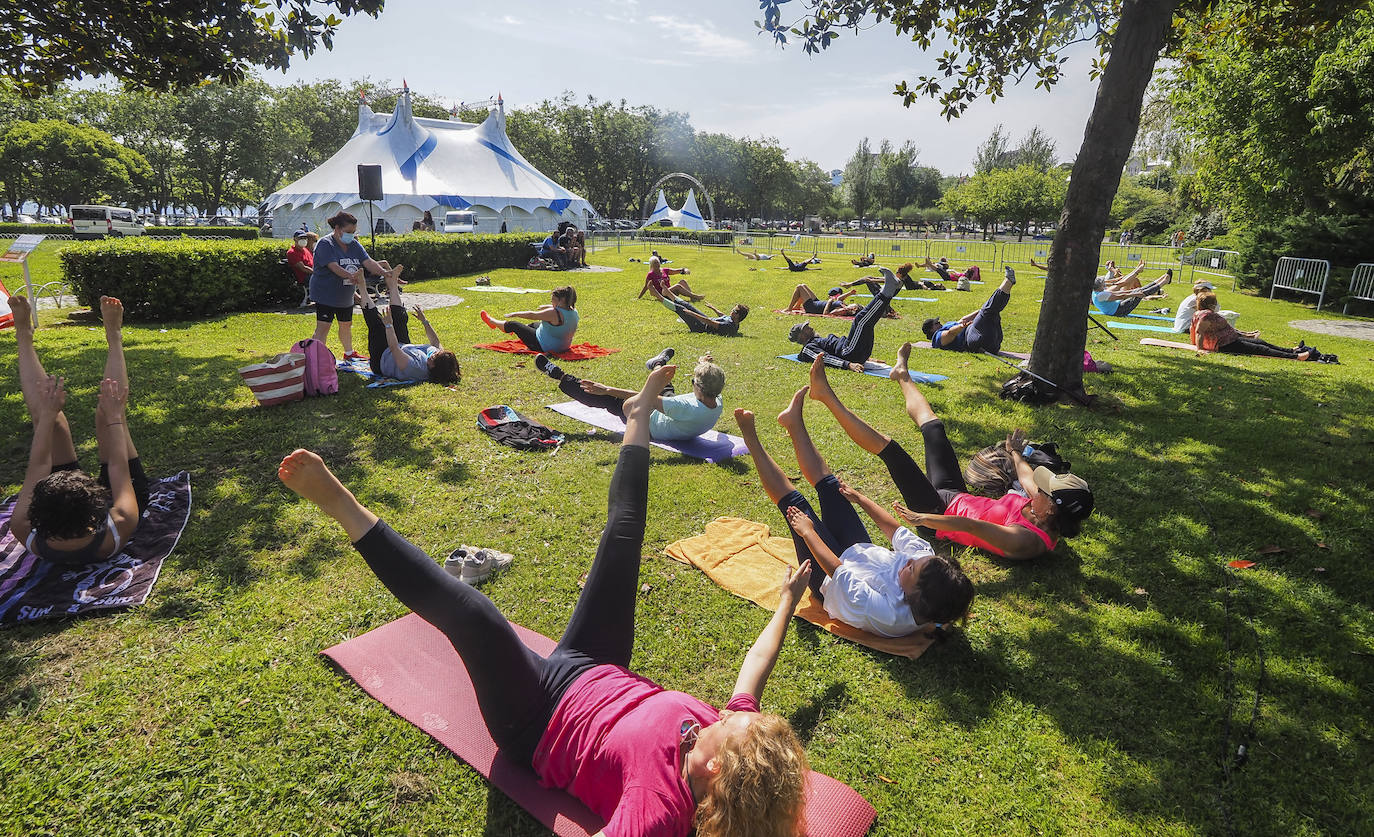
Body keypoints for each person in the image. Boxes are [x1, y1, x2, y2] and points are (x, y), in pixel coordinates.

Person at [276, 366, 812, 837]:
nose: (724, 713)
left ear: (714, 768)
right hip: (598, 669)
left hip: (537, 717)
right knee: (623, 539)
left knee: (473, 616)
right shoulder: (737, 746)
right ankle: (637, 416)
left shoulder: (659, 808)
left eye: (723, 722)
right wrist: (786, 602)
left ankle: (341, 505)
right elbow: (753, 673)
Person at [802, 349, 1094, 560]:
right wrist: (1016, 454)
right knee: (934, 428)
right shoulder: (1041, 506)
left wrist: (922, 519)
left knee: (891, 451)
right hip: (956, 496)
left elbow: (970, 526)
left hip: (938, 514)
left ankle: (824, 395)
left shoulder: (1026, 541)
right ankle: (902, 375)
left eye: (1046, 490)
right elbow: (1027, 477)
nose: (1038, 489)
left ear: (1052, 508)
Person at [735, 394, 974, 639]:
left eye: (911, 570)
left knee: (794, 504)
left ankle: (750, 438)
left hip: (828, 580)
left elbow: (837, 571)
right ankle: (793, 422)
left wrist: (808, 531)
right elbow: (895, 531)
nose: (909, 561)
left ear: (915, 598)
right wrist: (860, 499)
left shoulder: (887, 613)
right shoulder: (929, 569)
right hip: (859, 553)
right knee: (830, 485)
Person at [8, 295, 149, 565]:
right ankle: (114, 335)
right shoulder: (120, 521)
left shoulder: (23, 528)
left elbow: (38, 464)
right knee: (106, 416)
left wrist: (48, 415)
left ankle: (23, 335)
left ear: (36, 513)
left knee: (50, 421)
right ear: (99, 503)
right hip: (124, 495)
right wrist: (116, 416)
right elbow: (118, 468)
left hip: (69, 509)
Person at [536, 351, 728, 441]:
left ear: (699, 388)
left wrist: (607, 389)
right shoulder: (717, 400)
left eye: (693, 381)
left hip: (647, 423)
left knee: (604, 398)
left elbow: (645, 396)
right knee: (664, 384)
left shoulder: (685, 408)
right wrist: (703, 363)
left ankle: (560, 375)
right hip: (675, 417)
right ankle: (657, 363)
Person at [311, 211, 403, 361]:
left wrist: (386, 273)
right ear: (337, 228)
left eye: (353, 232)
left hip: (345, 295)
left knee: (346, 324)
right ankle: (316, 357)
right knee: (323, 326)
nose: (351, 235)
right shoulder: (325, 244)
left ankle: (349, 353)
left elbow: (369, 262)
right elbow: (333, 266)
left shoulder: (354, 244)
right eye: (348, 232)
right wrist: (352, 276)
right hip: (325, 294)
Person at [787, 268, 903, 371]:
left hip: (853, 350)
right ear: (801, 336)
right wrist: (848, 365)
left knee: (867, 322)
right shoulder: (808, 349)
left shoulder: (815, 341)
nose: (810, 327)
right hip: (849, 352)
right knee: (861, 320)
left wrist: (870, 360)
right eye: (806, 328)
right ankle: (888, 290)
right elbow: (825, 359)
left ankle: (891, 289)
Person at [358, 273, 460, 384]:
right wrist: (424, 321)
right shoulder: (438, 358)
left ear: (433, 367)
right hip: (403, 347)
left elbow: (394, 348)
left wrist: (388, 325)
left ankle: (361, 285)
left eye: (435, 356)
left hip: (383, 357)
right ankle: (392, 284)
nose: (434, 353)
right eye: (436, 353)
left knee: (377, 324)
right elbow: (435, 342)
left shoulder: (416, 368)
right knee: (400, 318)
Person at [1190, 292, 1332, 362]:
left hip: (1231, 340)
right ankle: (1297, 357)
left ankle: (1292, 350)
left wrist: (1246, 334)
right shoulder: (1205, 315)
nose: (1217, 304)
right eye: (1215, 302)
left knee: (1260, 342)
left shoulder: (1201, 313)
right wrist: (1200, 349)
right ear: (1210, 304)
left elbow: (1194, 331)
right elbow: (1198, 332)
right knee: (1261, 349)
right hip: (1224, 345)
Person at [921, 266, 1018, 353]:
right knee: (989, 311)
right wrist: (961, 327)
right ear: (931, 329)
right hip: (975, 339)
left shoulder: (945, 326)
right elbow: (950, 333)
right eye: (936, 323)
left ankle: (1007, 283)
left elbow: (963, 320)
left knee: (991, 311)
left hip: (992, 342)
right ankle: (1008, 281)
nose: (939, 323)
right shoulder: (937, 337)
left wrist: (979, 311)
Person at [479, 286, 580, 354]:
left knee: (514, 325)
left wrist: (515, 314)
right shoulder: (573, 310)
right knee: (534, 325)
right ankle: (514, 331)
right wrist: (548, 306)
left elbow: (532, 314)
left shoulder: (553, 313)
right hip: (563, 346)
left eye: (552, 300)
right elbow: (559, 310)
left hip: (544, 347)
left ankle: (492, 322)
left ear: (561, 300)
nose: (551, 302)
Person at [1092, 268, 1172, 317]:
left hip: (1118, 306)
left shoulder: (1097, 293)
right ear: (1099, 286)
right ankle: (1164, 281)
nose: (1105, 284)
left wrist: (1132, 291)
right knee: (1140, 293)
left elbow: (1118, 294)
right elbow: (1121, 296)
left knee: (1139, 291)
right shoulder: (1101, 295)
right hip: (1119, 311)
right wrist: (1135, 293)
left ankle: (1162, 279)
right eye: (1103, 284)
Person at [658, 294, 749, 336]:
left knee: (682, 309)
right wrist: (713, 308)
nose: (732, 311)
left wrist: (692, 314)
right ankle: (668, 293)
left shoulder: (729, 326)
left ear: (738, 316)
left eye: (734, 311)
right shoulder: (733, 320)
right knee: (688, 305)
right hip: (705, 320)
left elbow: (710, 322)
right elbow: (724, 315)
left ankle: (659, 296)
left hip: (700, 327)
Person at [638, 256, 702, 302]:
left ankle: (692, 298)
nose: (657, 264)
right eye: (655, 263)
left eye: (657, 262)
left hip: (670, 291)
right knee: (678, 286)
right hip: (662, 294)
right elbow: (646, 287)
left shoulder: (664, 270)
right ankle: (695, 296)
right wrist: (639, 298)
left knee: (683, 281)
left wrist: (684, 270)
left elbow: (676, 271)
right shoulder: (650, 274)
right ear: (651, 265)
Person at [785, 284, 859, 317]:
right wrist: (849, 293)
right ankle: (797, 306)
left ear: (854, 309)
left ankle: (789, 308)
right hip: (817, 302)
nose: (853, 303)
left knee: (799, 287)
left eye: (854, 304)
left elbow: (826, 314)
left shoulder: (843, 310)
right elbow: (839, 299)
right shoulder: (845, 306)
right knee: (804, 285)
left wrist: (829, 302)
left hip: (812, 307)